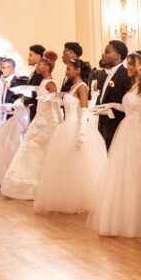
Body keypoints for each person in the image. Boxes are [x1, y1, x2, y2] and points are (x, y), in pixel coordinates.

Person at [91, 49, 141, 238]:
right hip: (127, 129)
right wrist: (110, 106)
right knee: (125, 174)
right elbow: (129, 108)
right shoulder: (134, 85)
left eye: (131, 64)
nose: (128, 67)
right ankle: (124, 216)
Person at [33, 59, 108, 216]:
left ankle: (84, 198)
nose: (66, 71)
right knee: (65, 165)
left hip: (76, 127)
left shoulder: (82, 87)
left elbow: (84, 110)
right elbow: (65, 102)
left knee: (79, 165)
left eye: (68, 68)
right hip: (66, 127)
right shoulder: (72, 86)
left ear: (77, 70)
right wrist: (51, 98)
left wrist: (81, 133)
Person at [0, 51, 62, 201]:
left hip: (47, 121)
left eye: (41, 64)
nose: (38, 66)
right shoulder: (42, 82)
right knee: (31, 149)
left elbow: (56, 105)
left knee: (42, 150)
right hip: (39, 118)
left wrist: (58, 122)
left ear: (47, 67)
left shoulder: (51, 83)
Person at [93, 40, 131, 148]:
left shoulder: (125, 75)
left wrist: (110, 111)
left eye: (107, 52)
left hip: (117, 125)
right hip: (104, 124)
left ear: (118, 56)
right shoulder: (105, 74)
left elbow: (127, 103)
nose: (103, 54)